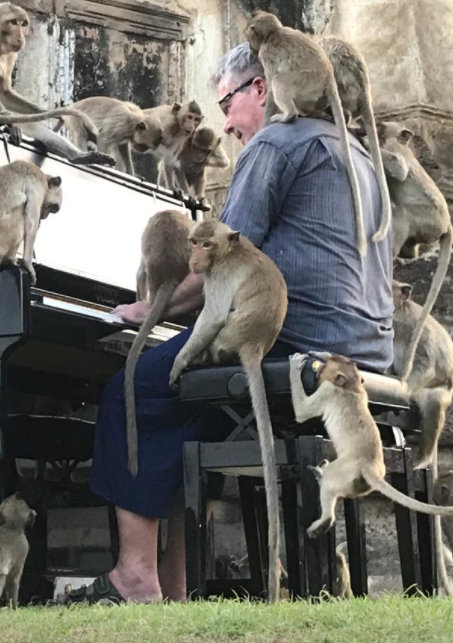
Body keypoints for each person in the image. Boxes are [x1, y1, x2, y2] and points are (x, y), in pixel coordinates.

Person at [65, 43, 394, 605]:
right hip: (367, 349)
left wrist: (153, 308)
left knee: (133, 386)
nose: (224, 123)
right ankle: (176, 580)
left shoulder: (277, 142)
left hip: (293, 340)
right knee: (188, 406)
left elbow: (220, 259)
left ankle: (133, 577)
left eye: (227, 101)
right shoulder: (361, 155)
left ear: (260, 89)